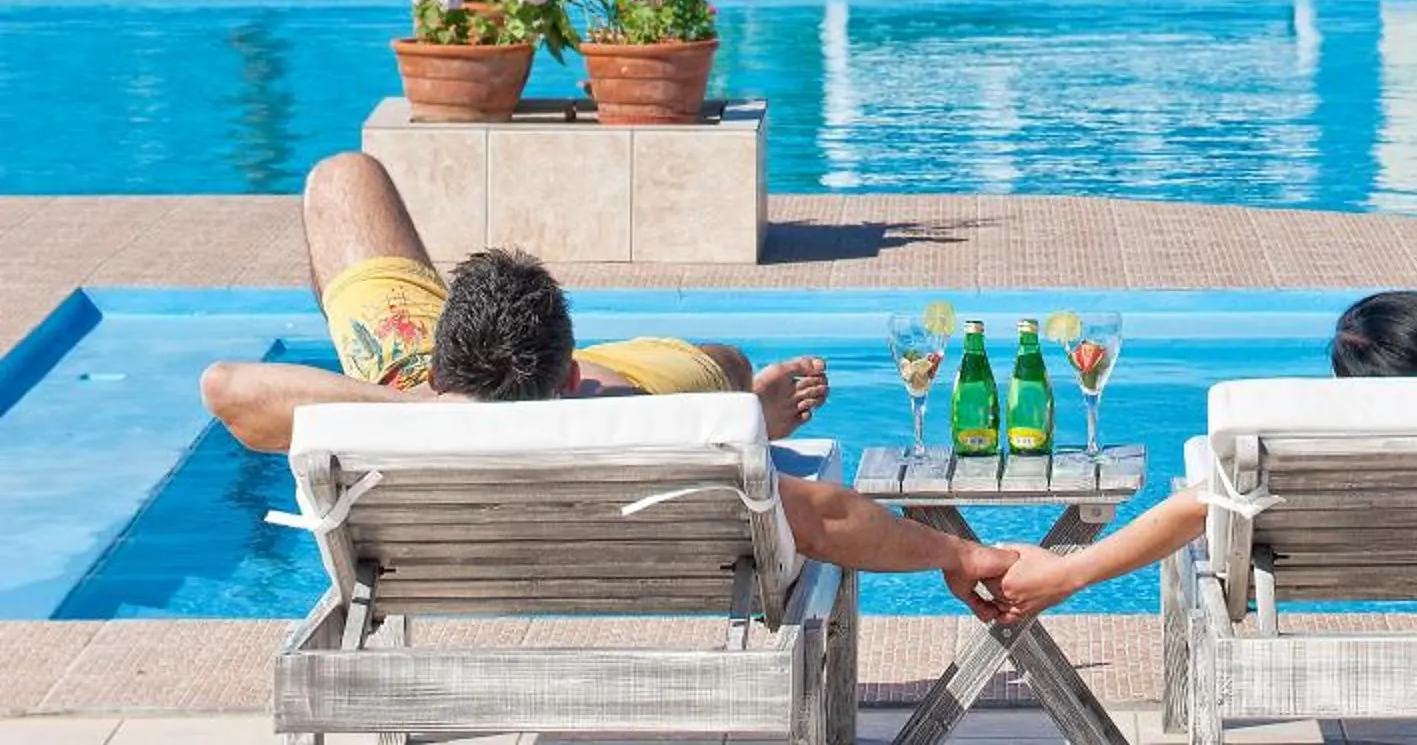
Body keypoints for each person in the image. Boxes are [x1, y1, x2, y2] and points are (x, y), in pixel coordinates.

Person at [200, 153, 1013, 612]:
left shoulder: (399, 402)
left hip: (415, 441)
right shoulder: (665, 436)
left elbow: (227, 387)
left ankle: (484, 370)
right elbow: (829, 520)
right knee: (723, 365)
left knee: (341, 177)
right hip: (605, 424)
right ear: (571, 376)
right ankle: (751, 404)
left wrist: (431, 409)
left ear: (441, 357)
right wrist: (952, 550)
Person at [991, 291, 1417, 624]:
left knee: (1198, 490)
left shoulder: (1310, 440)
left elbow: (1192, 510)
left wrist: (1066, 571)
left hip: (1314, 575)